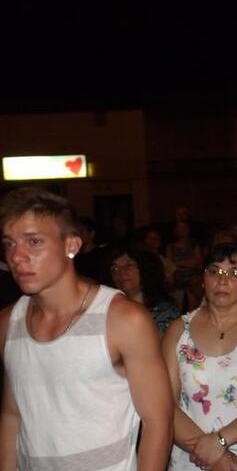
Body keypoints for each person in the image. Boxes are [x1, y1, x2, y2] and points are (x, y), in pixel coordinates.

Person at [0, 187, 173, 471]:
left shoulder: (123, 319)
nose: (17, 256)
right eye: (9, 244)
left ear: (72, 246)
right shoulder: (9, 322)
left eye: (33, 242)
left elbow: (158, 421)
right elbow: (12, 415)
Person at [163, 243, 237, 471]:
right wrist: (214, 457)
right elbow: (165, 405)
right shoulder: (178, 330)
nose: (222, 280)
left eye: (235, 273)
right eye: (214, 271)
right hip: (193, 457)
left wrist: (220, 442)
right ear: (203, 280)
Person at [109, 245, 180, 334]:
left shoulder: (165, 311)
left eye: (129, 265)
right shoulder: (111, 309)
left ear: (145, 269)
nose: (121, 272)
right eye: (114, 269)